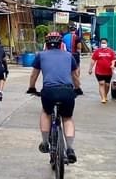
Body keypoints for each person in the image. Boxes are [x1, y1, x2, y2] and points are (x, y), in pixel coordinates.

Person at [28, 31, 82, 163]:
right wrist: (78, 89)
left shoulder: (40, 55)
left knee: (46, 113)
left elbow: (34, 75)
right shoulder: (69, 56)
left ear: (46, 44)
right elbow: (75, 76)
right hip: (67, 91)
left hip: (49, 91)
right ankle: (69, 148)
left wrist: (32, 88)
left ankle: (45, 142)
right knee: (67, 118)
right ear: (61, 44)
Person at [89, 37, 116, 104]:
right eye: (102, 43)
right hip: (99, 71)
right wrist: (90, 69)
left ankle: (105, 95)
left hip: (108, 72)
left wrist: (113, 65)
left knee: (107, 85)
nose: (103, 44)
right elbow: (93, 61)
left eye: (104, 43)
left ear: (107, 43)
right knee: (101, 83)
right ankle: (103, 98)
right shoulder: (97, 51)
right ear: (100, 43)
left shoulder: (111, 51)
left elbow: (113, 59)